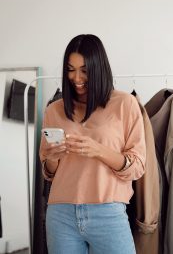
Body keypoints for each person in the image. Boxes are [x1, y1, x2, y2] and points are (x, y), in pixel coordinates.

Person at [39, 34, 146, 254]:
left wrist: (99, 151)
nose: (76, 78)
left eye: (84, 70)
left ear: (99, 68)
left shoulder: (125, 104)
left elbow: (137, 167)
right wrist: (52, 157)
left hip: (108, 212)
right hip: (61, 214)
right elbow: (49, 173)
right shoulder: (54, 110)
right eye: (70, 69)